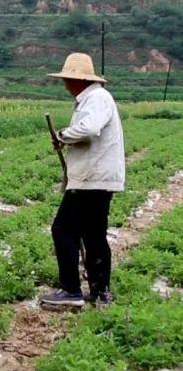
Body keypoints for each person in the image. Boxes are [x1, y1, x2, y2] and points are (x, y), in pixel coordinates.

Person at [40, 53, 124, 308]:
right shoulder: (96, 98)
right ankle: (101, 293)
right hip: (98, 178)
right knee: (93, 235)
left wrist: (63, 135)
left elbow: (88, 129)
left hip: (91, 179)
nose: (65, 85)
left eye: (67, 79)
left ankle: (71, 291)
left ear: (77, 80)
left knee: (63, 230)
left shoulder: (96, 98)